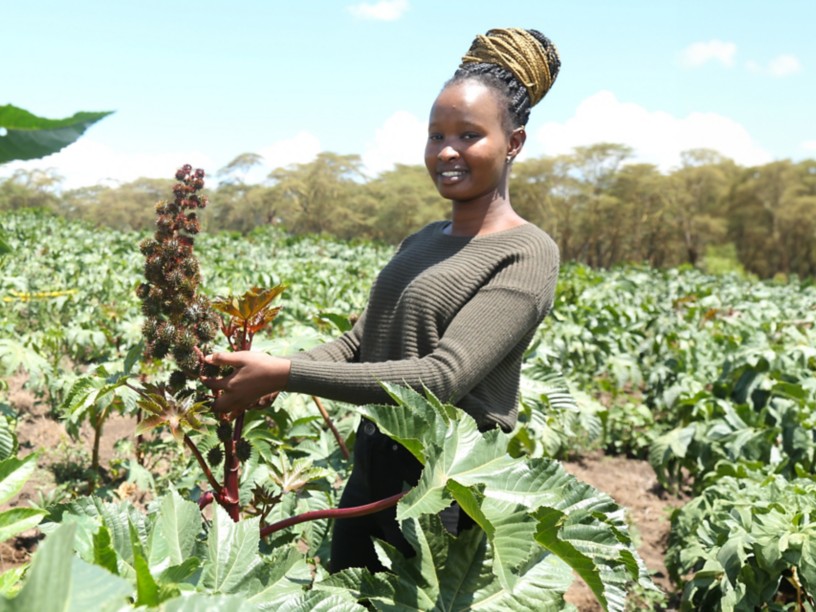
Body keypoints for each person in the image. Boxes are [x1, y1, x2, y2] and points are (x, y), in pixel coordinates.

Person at [202, 27, 561, 573]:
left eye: (469, 135)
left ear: (513, 143)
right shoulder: (421, 240)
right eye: (435, 134)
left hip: (440, 492)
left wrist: (283, 373)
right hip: (371, 473)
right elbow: (358, 342)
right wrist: (256, 377)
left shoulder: (527, 252)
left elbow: (442, 379)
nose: (446, 151)